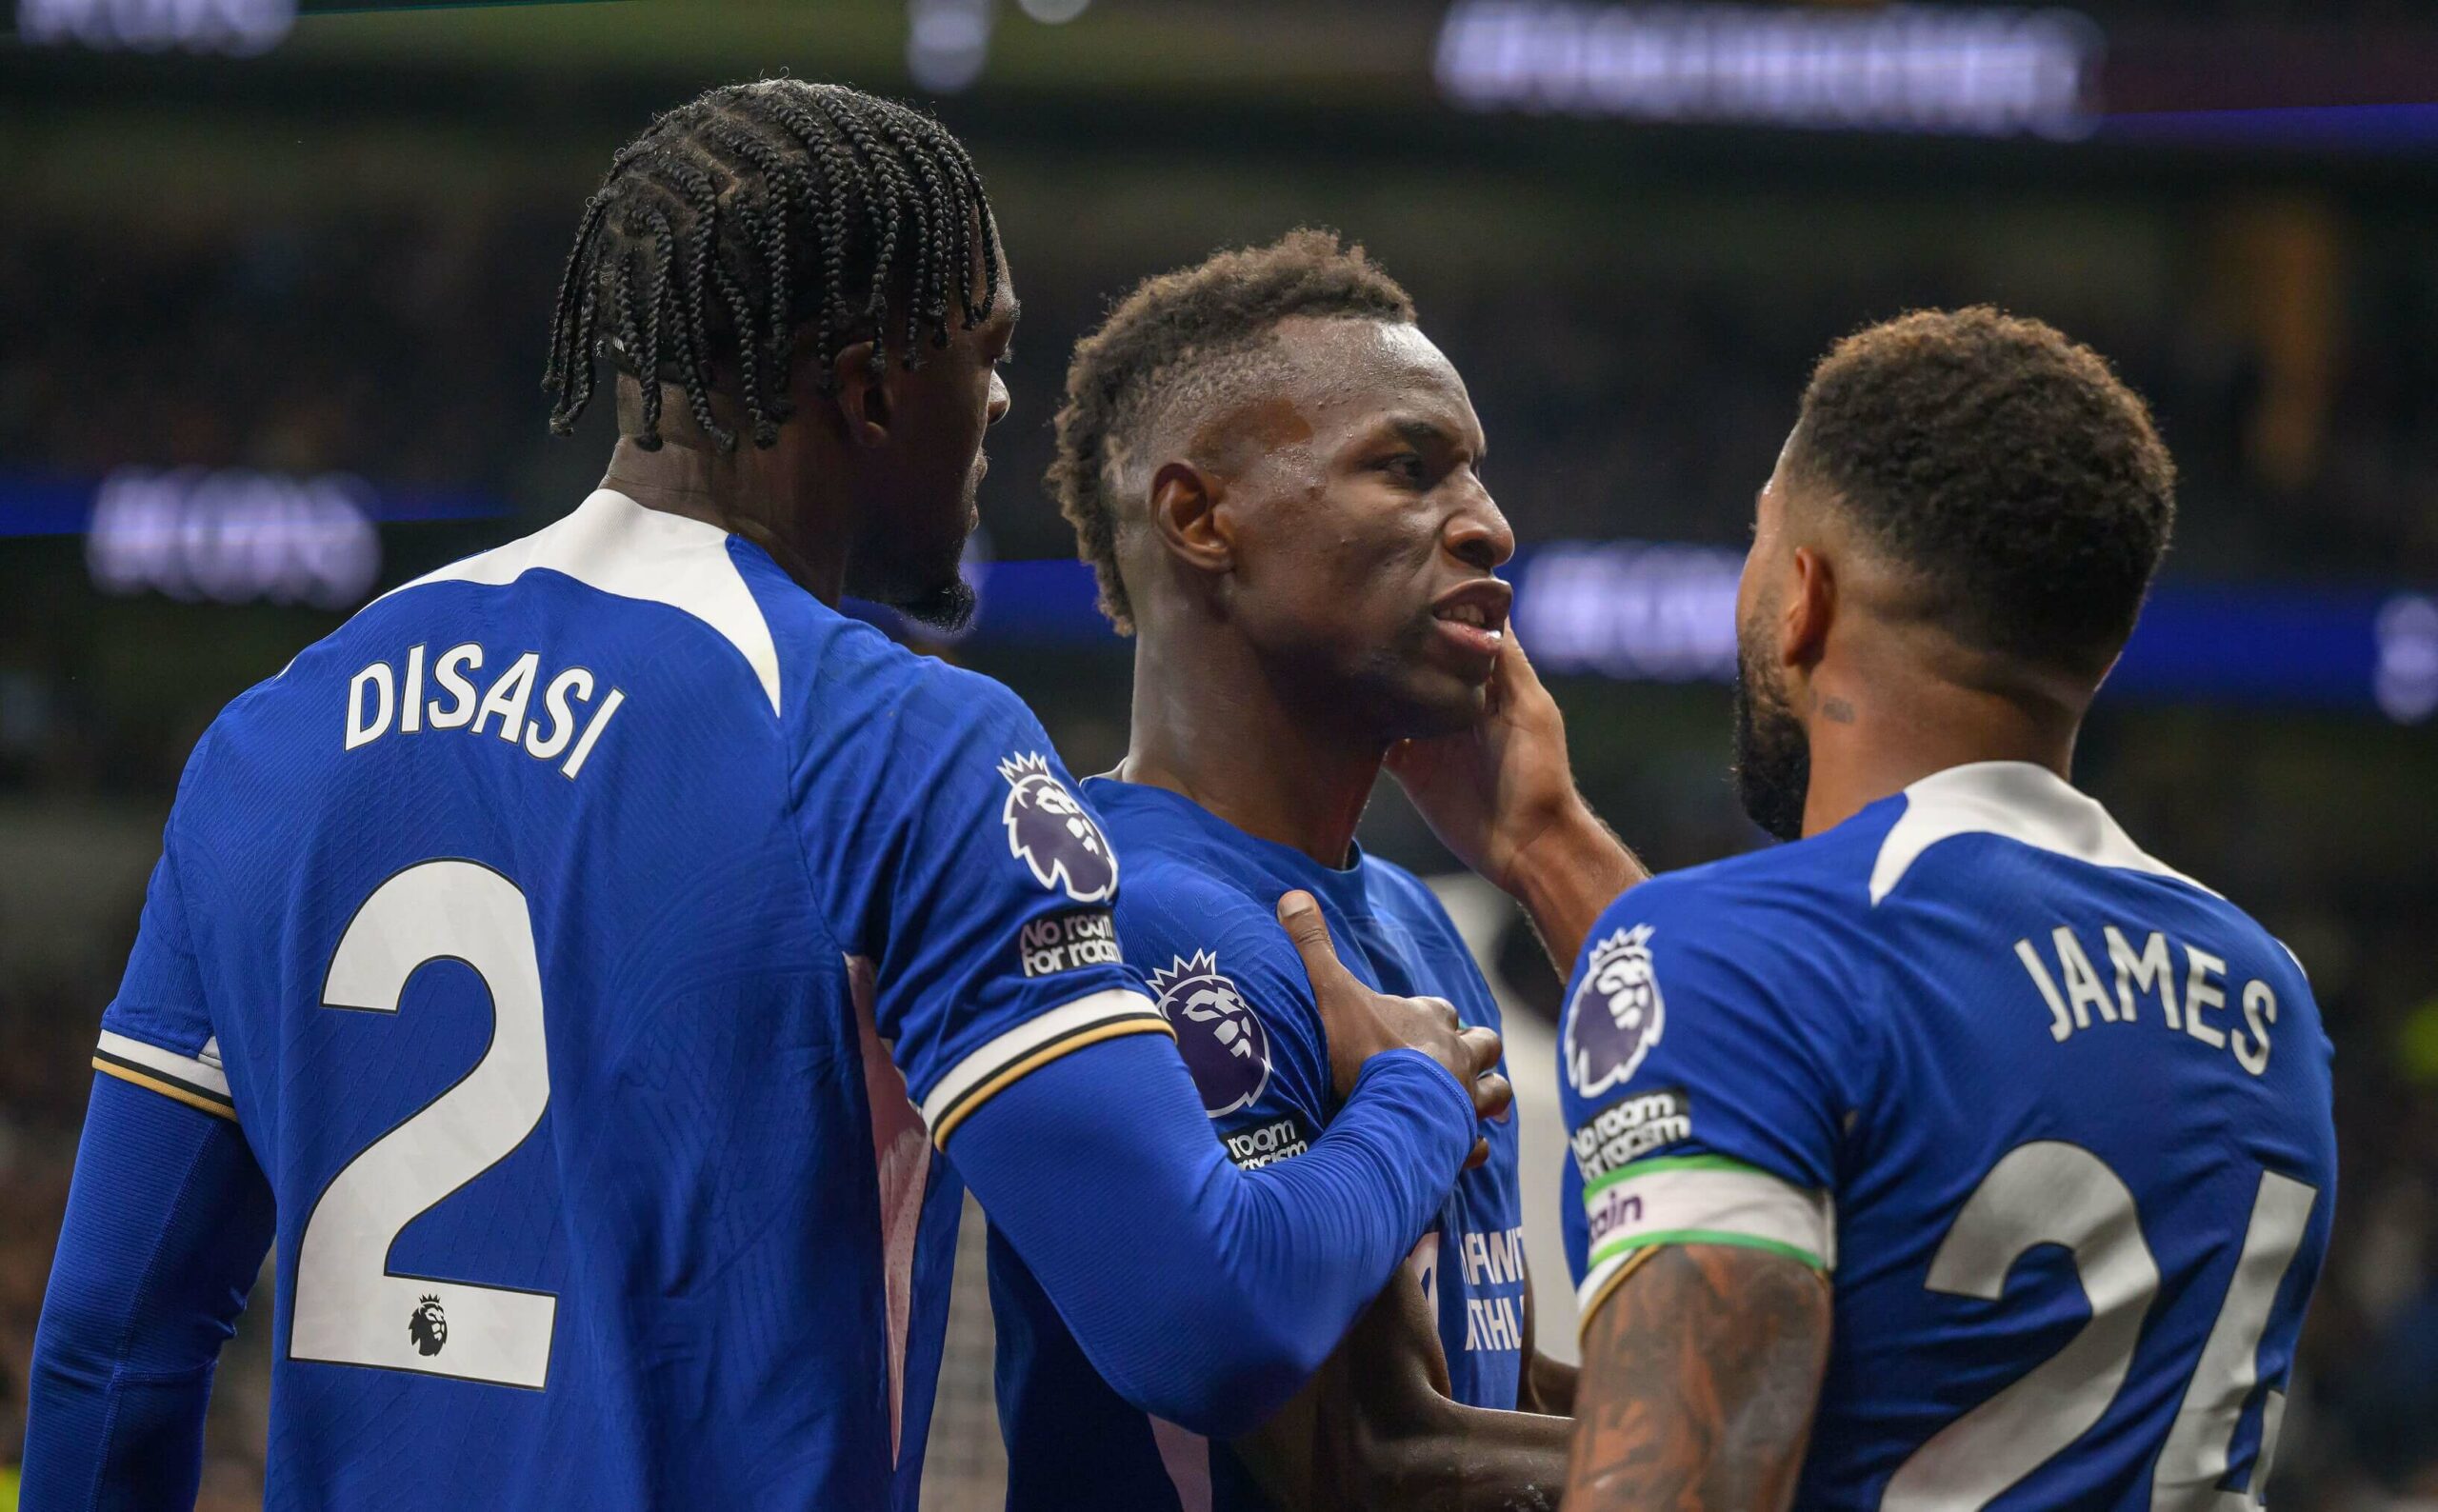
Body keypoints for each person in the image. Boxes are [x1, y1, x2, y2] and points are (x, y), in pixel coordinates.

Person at [21, 83, 1509, 1511]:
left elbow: (109, 1353)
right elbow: (1204, 1318)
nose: (1001, 398)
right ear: (870, 391)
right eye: (984, 348)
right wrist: (1412, 1098)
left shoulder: (273, 736)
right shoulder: (889, 741)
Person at [1558, 308, 2338, 1508]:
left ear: (1803, 596)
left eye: (1759, 540)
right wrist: (1546, 842)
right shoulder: (2267, 995)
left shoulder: (1736, 950)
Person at [991, 229, 1641, 1511]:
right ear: (1200, 519)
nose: (1490, 526)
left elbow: (1493, 1392)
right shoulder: (1137, 918)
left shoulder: (1406, 916)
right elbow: (1368, 1471)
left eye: (1475, 474)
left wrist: (1546, 837)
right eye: (1410, 468)